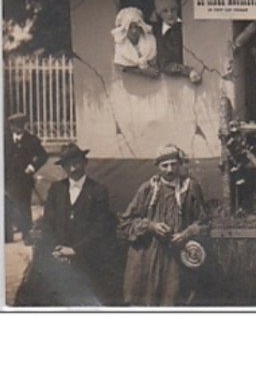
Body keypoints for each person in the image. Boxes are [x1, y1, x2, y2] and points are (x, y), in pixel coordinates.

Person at [119, 145, 209, 306]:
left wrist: (186, 234)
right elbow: (126, 223)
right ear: (158, 167)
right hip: (147, 257)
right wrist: (151, 226)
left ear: (180, 164)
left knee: (172, 301)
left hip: (176, 258)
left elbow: (204, 223)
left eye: (174, 164)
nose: (169, 170)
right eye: (164, 165)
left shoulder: (189, 188)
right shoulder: (148, 189)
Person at [36, 143, 119, 305]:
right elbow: (48, 223)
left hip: (88, 258)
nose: (73, 169)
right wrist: (56, 249)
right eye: (68, 165)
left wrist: (74, 250)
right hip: (57, 256)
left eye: (76, 163)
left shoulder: (98, 190)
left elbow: (101, 227)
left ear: (85, 163)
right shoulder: (56, 189)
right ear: (63, 167)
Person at [4, 113, 48, 244]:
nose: (17, 128)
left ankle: (27, 235)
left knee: (23, 207)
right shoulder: (5, 139)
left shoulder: (32, 140)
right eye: (14, 125)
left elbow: (43, 156)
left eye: (20, 125)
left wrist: (32, 167)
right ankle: (6, 235)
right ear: (11, 126)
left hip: (23, 180)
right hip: (6, 179)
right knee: (6, 206)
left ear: (24, 125)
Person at [152, 0, 202, 83]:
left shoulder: (184, 28)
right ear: (159, 14)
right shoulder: (157, 33)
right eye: (165, 11)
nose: (170, 14)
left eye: (173, 10)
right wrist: (187, 71)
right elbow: (164, 64)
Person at [111, 6, 159, 77]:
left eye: (136, 27)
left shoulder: (150, 40)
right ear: (124, 29)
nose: (134, 31)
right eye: (130, 28)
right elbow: (122, 67)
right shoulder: (120, 45)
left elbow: (155, 64)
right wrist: (142, 71)